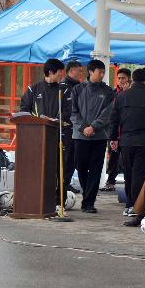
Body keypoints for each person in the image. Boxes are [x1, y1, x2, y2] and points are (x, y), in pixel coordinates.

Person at [110, 67, 145, 217]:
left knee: (128, 173)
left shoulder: (122, 96)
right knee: (141, 174)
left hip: (126, 141)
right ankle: (137, 206)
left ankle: (129, 204)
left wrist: (113, 138)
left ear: (132, 80)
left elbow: (114, 120)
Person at [20, 59, 73, 205]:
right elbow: (24, 110)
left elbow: (68, 112)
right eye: (60, 72)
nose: (62, 75)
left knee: (59, 169)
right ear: (50, 72)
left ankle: (59, 202)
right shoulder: (33, 89)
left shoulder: (65, 89)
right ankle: (37, 199)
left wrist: (54, 119)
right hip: (38, 137)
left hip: (59, 135)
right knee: (38, 168)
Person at [71, 59, 116, 213]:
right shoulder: (78, 89)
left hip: (99, 136)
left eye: (104, 72)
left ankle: (89, 202)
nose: (102, 75)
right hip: (80, 136)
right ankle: (87, 194)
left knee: (96, 169)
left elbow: (107, 113)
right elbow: (73, 112)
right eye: (100, 72)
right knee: (81, 166)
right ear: (90, 72)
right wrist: (83, 127)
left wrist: (94, 127)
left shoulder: (108, 91)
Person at [102, 67, 131, 191]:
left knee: (126, 159)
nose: (120, 80)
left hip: (127, 133)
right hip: (114, 131)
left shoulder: (132, 95)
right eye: (119, 78)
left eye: (123, 78)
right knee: (113, 157)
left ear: (129, 79)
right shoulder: (112, 94)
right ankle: (110, 181)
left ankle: (128, 182)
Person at [61, 60, 84, 195]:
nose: (81, 73)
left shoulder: (80, 86)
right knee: (66, 157)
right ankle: (62, 184)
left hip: (78, 128)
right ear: (71, 70)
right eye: (79, 71)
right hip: (66, 127)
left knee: (74, 158)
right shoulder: (63, 86)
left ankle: (67, 182)